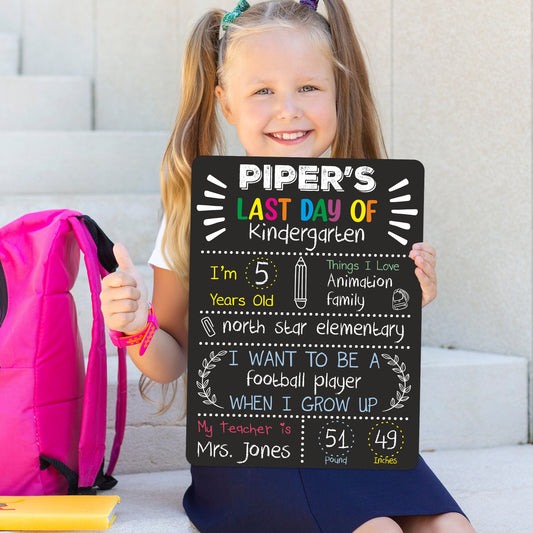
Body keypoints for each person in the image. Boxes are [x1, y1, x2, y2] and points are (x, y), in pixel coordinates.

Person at [100, 1, 476, 532]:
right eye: (262, 91)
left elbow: (366, 359)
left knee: (451, 528)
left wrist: (407, 299)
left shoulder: (366, 210)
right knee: (379, 531)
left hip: (351, 431)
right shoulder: (196, 215)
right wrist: (135, 327)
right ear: (225, 104)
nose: (288, 109)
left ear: (338, 93)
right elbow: (172, 361)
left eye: (308, 87)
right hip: (251, 444)